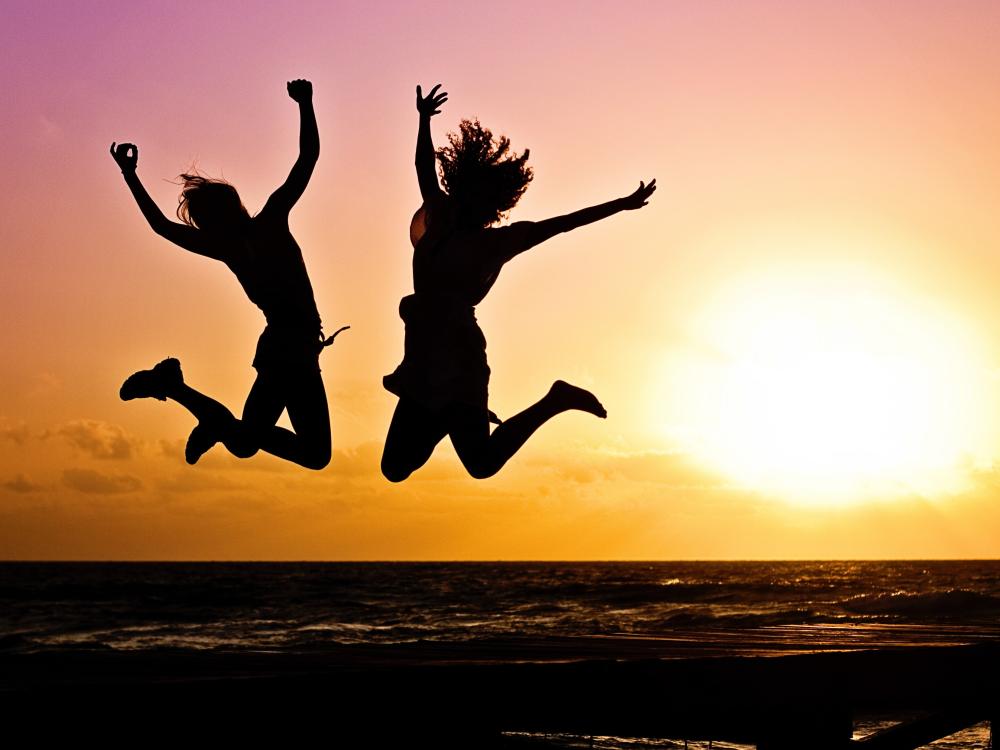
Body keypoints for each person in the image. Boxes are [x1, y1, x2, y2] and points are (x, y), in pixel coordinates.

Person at [381, 84, 655, 481]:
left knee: (481, 464)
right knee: (394, 468)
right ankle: (449, 415)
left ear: (491, 202)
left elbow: (562, 224)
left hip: (458, 358)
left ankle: (555, 400)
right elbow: (424, 168)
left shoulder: (497, 242)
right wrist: (423, 119)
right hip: (423, 356)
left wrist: (621, 204)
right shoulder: (439, 215)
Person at [109, 79, 345, 470]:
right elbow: (308, 158)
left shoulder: (232, 244)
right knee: (293, 450)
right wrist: (306, 102)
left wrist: (130, 174)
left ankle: (180, 392)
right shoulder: (264, 225)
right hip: (291, 348)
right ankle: (182, 393)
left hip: (289, 347)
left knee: (252, 443)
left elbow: (161, 226)